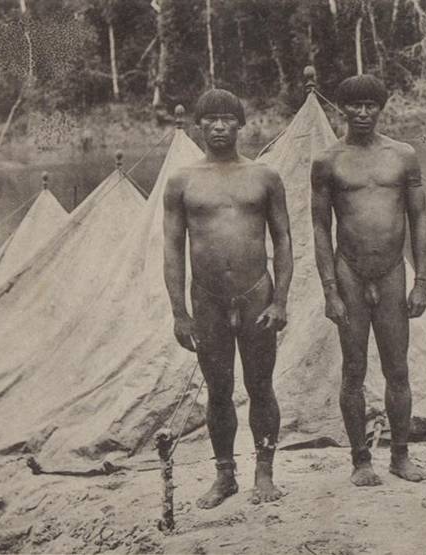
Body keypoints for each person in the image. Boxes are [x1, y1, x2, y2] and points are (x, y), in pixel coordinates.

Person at [163, 89, 293, 508]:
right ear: (198, 126)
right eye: (211, 120)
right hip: (207, 300)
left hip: (257, 295)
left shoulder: (264, 176)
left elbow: (284, 239)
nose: (219, 127)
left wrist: (280, 300)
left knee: (261, 386)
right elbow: (172, 249)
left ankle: (264, 471)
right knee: (218, 390)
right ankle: (224, 475)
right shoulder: (182, 181)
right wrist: (179, 313)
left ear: (241, 124)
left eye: (227, 119)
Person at [310, 74, 426, 487]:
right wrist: (330, 289)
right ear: (342, 109)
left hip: (393, 271)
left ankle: (400, 456)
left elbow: (419, 218)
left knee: (398, 369)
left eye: (370, 106)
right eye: (355, 106)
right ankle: (360, 460)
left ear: (381, 108)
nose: (362, 113)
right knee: (353, 369)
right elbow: (320, 227)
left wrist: (422, 282)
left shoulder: (403, 155)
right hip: (349, 272)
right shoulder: (328, 161)